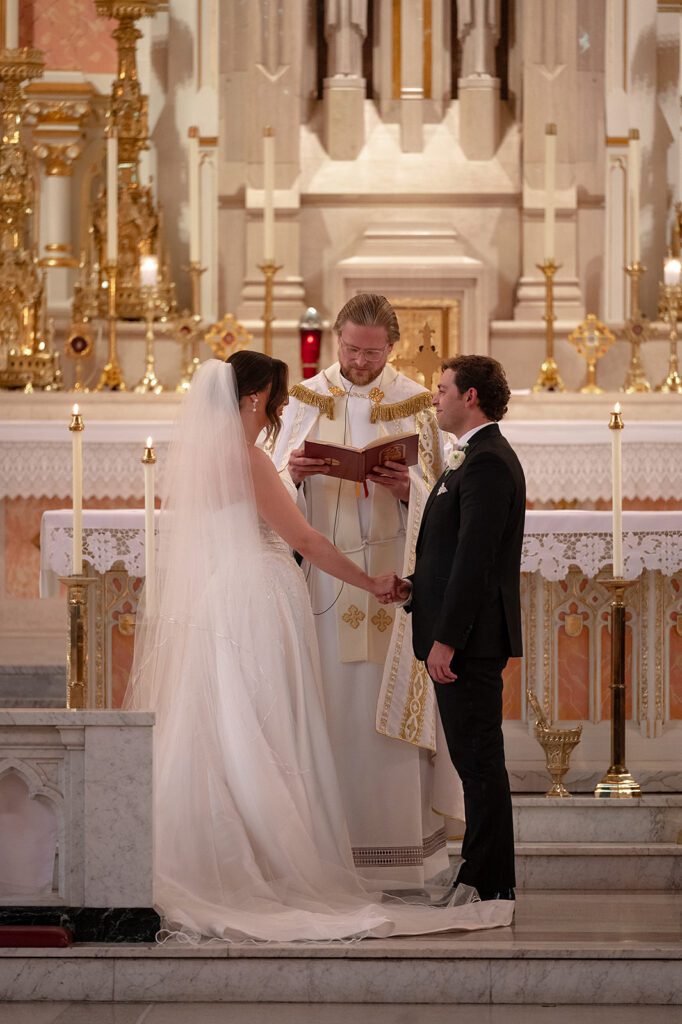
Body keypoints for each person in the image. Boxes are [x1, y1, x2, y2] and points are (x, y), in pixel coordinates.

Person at [127, 352, 512, 942]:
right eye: (277, 400)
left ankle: (229, 850)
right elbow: (304, 535)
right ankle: (267, 860)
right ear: (254, 398)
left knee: (227, 727)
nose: (282, 409)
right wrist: (369, 581)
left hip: (223, 601)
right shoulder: (249, 458)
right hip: (255, 602)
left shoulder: (208, 457)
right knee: (263, 727)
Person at [272, 294, 461, 886]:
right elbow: (268, 483)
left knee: (384, 713)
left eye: (371, 352)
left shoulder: (417, 404)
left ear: (392, 348)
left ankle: (402, 853)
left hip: (396, 587)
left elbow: (449, 500)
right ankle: (328, 854)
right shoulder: (303, 399)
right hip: (325, 588)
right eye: (350, 349)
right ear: (336, 339)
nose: (357, 361)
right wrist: (295, 477)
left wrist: (410, 490)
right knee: (328, 708)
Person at [392, 355, 525, 905]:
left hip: (468, 641)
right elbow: (449, 550)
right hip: (459, 632)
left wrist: (447, 637)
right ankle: (483, 876)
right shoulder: (468, 459)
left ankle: (486, 881)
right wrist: (414, 589)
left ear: (470, 396)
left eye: (442, 389)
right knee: (474, 761)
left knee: (479, 763)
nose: (434, 397)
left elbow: (476, 560)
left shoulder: (488, 461)